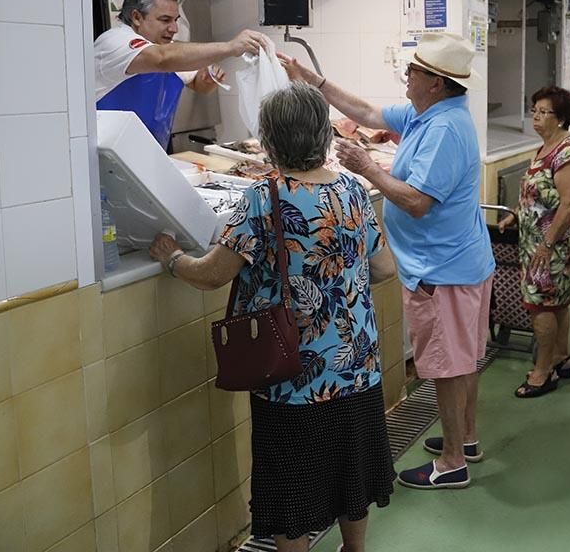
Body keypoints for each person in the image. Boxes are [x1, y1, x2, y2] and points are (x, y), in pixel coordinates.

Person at [148, 83, 396, 552]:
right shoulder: (352, 191)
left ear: (270, 140)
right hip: (356, 366)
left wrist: (173, 257)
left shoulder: (265, 200)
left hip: (292, 376)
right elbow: (385, 268)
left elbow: (212, 276)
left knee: (292, 491)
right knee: (351, 470)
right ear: (323, 134)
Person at [280, 33, 495, 490]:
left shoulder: (443, 130)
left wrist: (368, 169)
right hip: (457, 262)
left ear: (435, 83)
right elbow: (368, 114)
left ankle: (452, 462)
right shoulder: (429, 115)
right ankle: (467, 437)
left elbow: (417, 202)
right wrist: (312, 79)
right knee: (460, 359)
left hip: (441, 270)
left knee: (444, 366)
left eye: (413, 71)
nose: (406, 77)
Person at [496, 86, 570, 398]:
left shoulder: (567, 153)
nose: (535, 117)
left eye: (543, 112)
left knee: (540, 306)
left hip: (553, 246)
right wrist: (515, 214)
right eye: (533, 110)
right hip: (544, 243)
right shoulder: (547, 148)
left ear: (561, 118)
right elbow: (538, 196)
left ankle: (542, 371)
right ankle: (561, 357)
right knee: (558, 303)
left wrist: (547, 244)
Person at [94, 0, 267, 144]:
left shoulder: (165, 47)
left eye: (175, 20)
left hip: (151, 152)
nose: (174, 29)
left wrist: (208, 79)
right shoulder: (116, 42)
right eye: (165, 20)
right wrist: (230, 47)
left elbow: (200, 85)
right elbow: (162, 59)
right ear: (137, 17)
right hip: (109, 157)